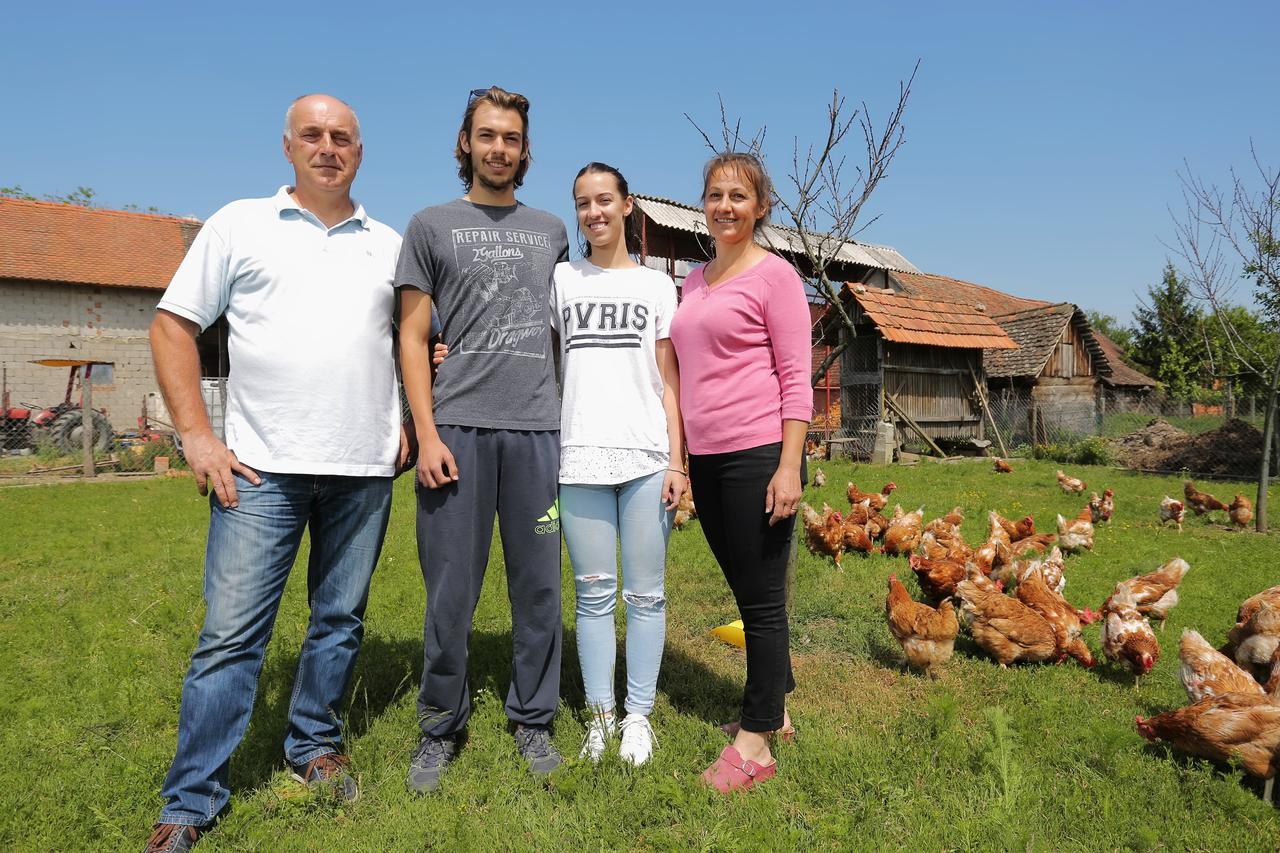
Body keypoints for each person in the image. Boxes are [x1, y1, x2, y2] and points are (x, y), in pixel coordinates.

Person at [143, 94, 408, 853]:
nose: (329, 148)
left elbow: (413, 343)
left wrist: (410, 418)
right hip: (258, 472)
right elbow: (172, 326)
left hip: (362, 469)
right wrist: (195, 434)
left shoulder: (387, 244)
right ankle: (192, 798)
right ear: (287, 147)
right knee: (230, 637)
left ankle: (311, 748)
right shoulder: (239, 225)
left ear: (361, 150)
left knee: (339, 623)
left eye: (343, 137)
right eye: (314, 136)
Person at [397, 85, 569, 793]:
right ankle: (442, 723)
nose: (499, 148)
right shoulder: (430, 225)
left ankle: (534, 717)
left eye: (511, 138)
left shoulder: (555, 229)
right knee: (449, 593)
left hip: (538, 433)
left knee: (539, 590)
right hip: (458, 432)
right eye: (487, 135)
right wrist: (426, 432)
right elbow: (411, 335)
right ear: (466, 142)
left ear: (525, 151)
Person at [667, 151, 812, 792]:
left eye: (738, 195)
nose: (725, 205)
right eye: (715, 194)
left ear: (759, 208)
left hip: (760, 453)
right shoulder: (693, 282)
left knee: (760, 600)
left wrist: (788, 467)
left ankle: (755, 744)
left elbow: (797, 379)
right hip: (710, 456)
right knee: (747, 588)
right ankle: (772, 707)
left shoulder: (776, 277)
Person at [554, 163, 683, 764]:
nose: (594, 212)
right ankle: (600, 716)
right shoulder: (561, 280)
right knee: (593, 594)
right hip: (579, 454)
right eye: (583, 203)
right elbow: (540, 358)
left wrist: (677, 463)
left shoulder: (658, 287)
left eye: (605, 200)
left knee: (647, 596)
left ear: (627, 205)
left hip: (645, 456)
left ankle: (639, 716)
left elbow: (669, 379)